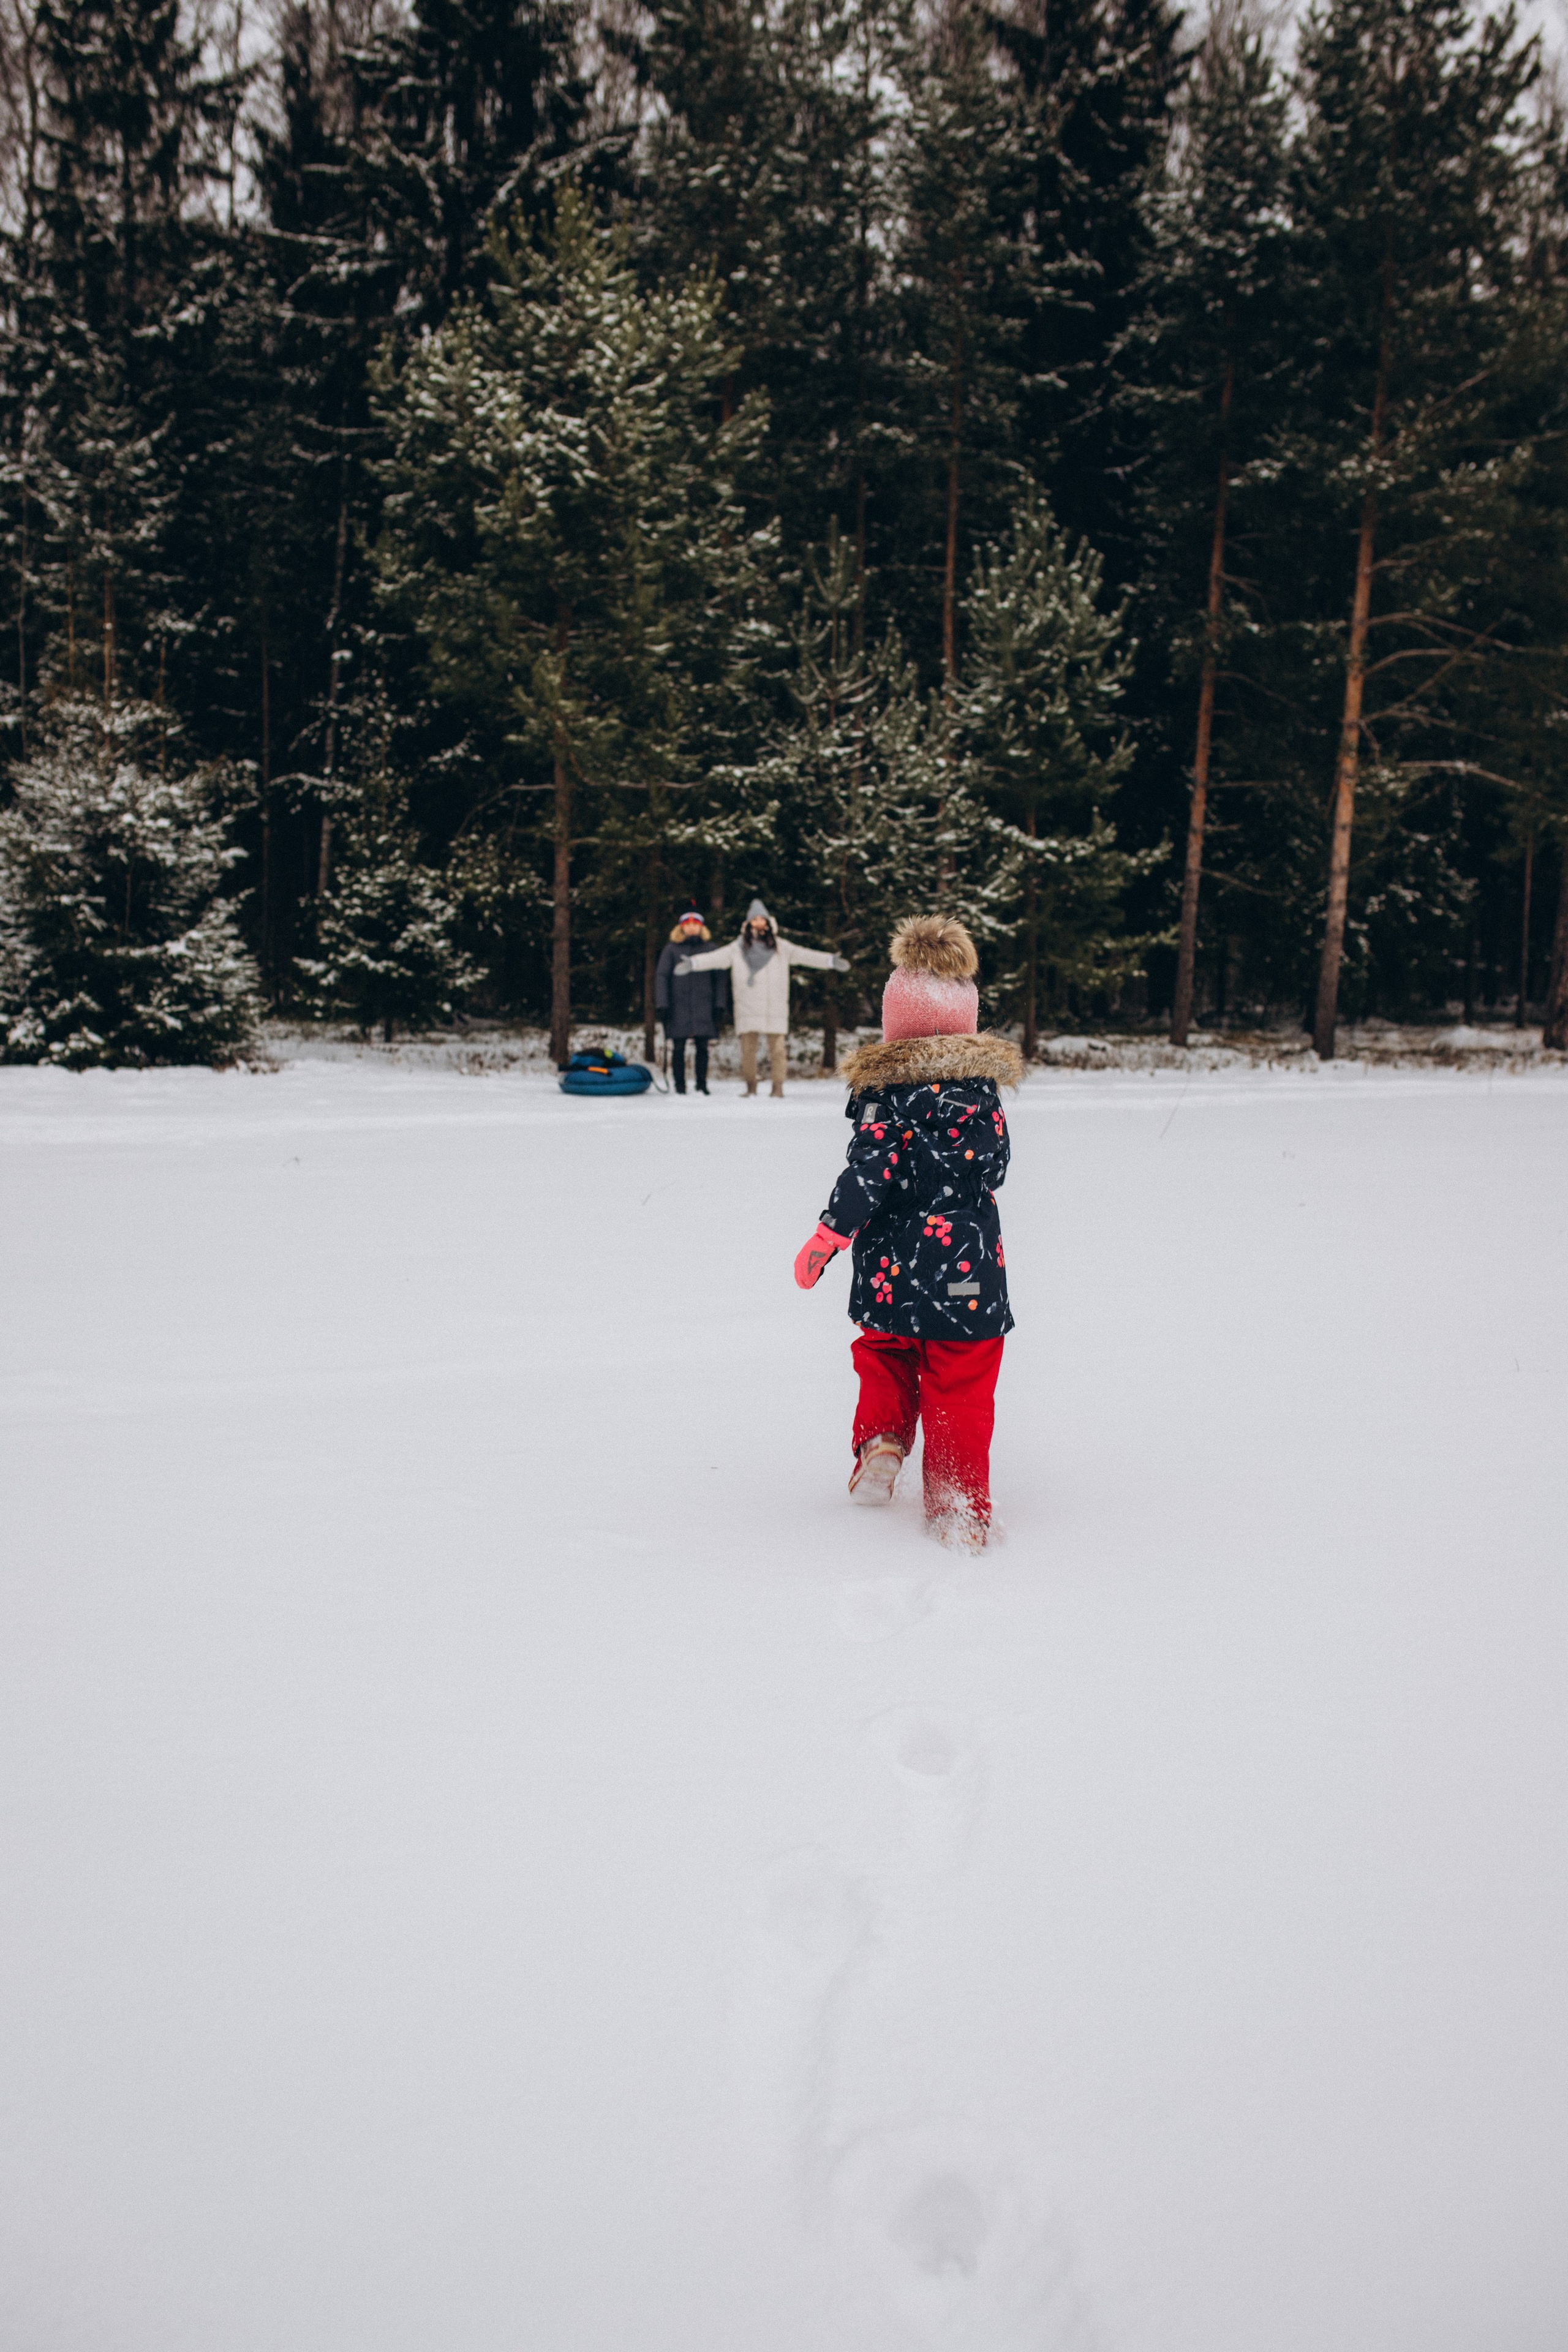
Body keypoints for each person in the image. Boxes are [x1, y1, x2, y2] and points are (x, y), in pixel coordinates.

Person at [791, 914, 1022, 1548]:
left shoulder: (884, 1098)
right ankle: (953, 1501)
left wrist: (828, 1236)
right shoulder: (983, 1097)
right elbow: (995, 1168)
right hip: (967, 1270)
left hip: (892, 1266)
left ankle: (884, 1444)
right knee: (962, 1380)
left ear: (896, 1027)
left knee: (887, 1353)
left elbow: (867, 1172)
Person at [676, 898, 848, 1097]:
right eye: (755, 919)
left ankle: (778, 1088)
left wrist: (830, 960)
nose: (759, 923)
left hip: (774, 1006)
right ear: (748, 923)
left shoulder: (780, 947)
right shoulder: (738, 948)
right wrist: (694, 963)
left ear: (768, 922)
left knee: (778, 1051)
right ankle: (751, 1087)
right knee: (748, 1050)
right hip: (748, 1006)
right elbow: (716, 958)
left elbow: (805, 955)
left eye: (762, 919)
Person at [655, 902, 729, 1094]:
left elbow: (720, 978)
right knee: (678, 1048)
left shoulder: (711, 948)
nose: (691, 927)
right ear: (681, 927)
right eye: (688, 924)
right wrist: (662, 1004)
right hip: (678, 1006)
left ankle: (701, 1084)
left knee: (702, 1047)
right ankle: (680, 1085)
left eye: (695, 924)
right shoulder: (671, 950)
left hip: (704, 1005)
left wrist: (720, 1005)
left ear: (701, 927)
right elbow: (662, 977)